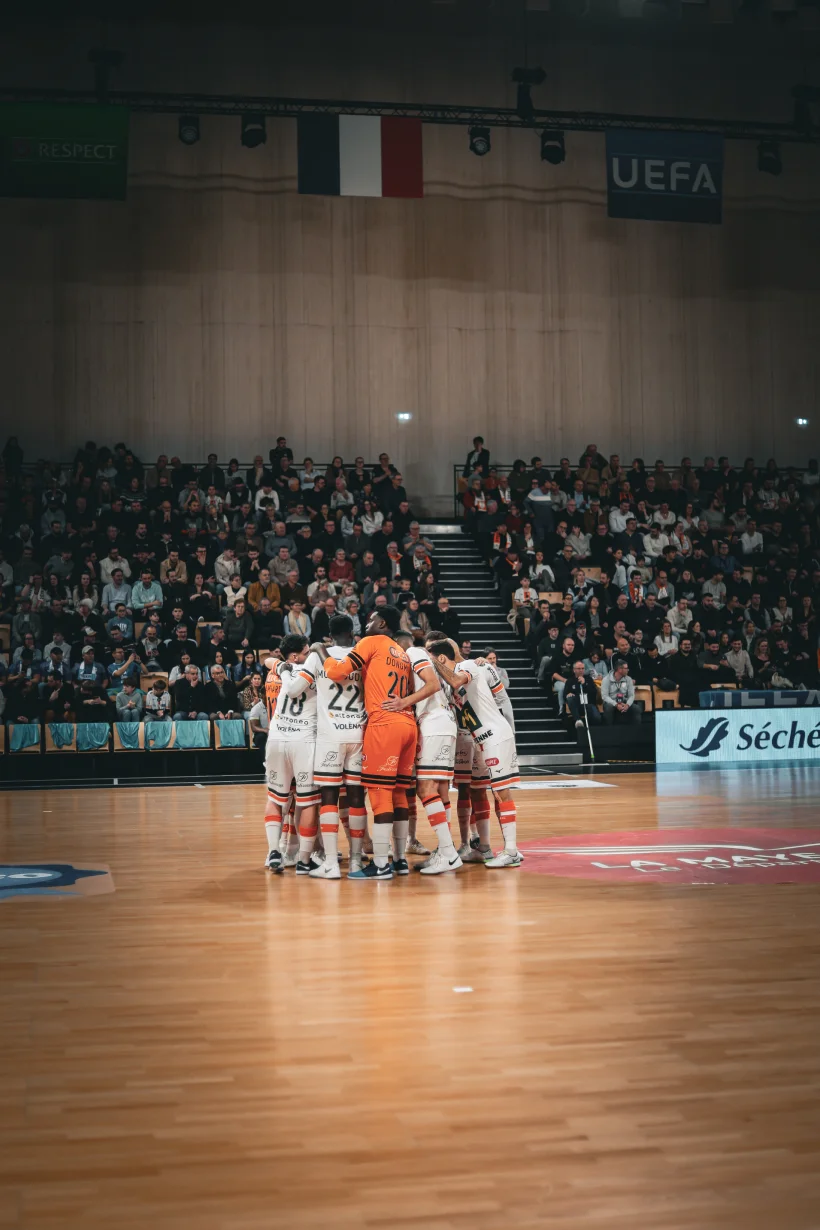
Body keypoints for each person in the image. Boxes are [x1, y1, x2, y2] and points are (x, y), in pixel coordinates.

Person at [311, 606, 416, 881]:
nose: (366, 624)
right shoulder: (401, 651)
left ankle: (380, 864)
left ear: (381, 623)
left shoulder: (371, 642)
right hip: (407, 723)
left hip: (381, 725)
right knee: (399, 794)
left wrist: (320, 650)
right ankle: (399, 860)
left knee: (379, 795)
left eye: (370, 620)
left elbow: (337, 671)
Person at [284, 614, 369, 879]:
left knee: (329, 797)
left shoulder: (316, 656)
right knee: (356, 797)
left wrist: (284, 671)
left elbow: (294, 691)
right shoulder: (362, 654)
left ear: (329, 635)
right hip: (358, 732)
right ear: (352, 632)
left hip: (330, 735)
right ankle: (356, 861)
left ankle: (331, 863)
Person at [428, 638, 521, 868]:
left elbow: (457, 678)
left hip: (496, 736)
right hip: (484, 739)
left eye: (434, 660)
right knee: (491, 793)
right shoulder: (454, 680)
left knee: (502, 793)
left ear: (441, 658)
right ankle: (487, 848)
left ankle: (511, 851)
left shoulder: (466, 666)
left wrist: (432, 660)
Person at [391, 631, 461, 875]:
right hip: (440, 723)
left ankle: (449, 853)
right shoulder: (420, 658)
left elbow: (433, 685)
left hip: (435, 724)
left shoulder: (413, 652)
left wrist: (404, 702)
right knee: (437, 790)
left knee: (426, 788)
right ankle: (444, 850)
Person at [260, 633, 321, 873]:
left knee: (276, 798)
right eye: (307, 652)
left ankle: (273, 851)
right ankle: (303, 858)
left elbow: (268, 660)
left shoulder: (276, 670)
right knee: (307, 802)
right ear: (295, 656)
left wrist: (279, 664)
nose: (311, 655)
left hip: (276, 737)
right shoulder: (315, 671)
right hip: (303, 740)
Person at [563, 659, 602, 731]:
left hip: (589, 704)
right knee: (570, 698)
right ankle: (578, 720)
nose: (581, 670)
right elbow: (565, 695)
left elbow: (594, 693)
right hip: (576, 705)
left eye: (583, 668)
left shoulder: (589, 679)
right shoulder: (570, 681)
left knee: (597, 718)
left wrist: (584, 684)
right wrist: (568, 694)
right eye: (579, 668)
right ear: (574, 670)